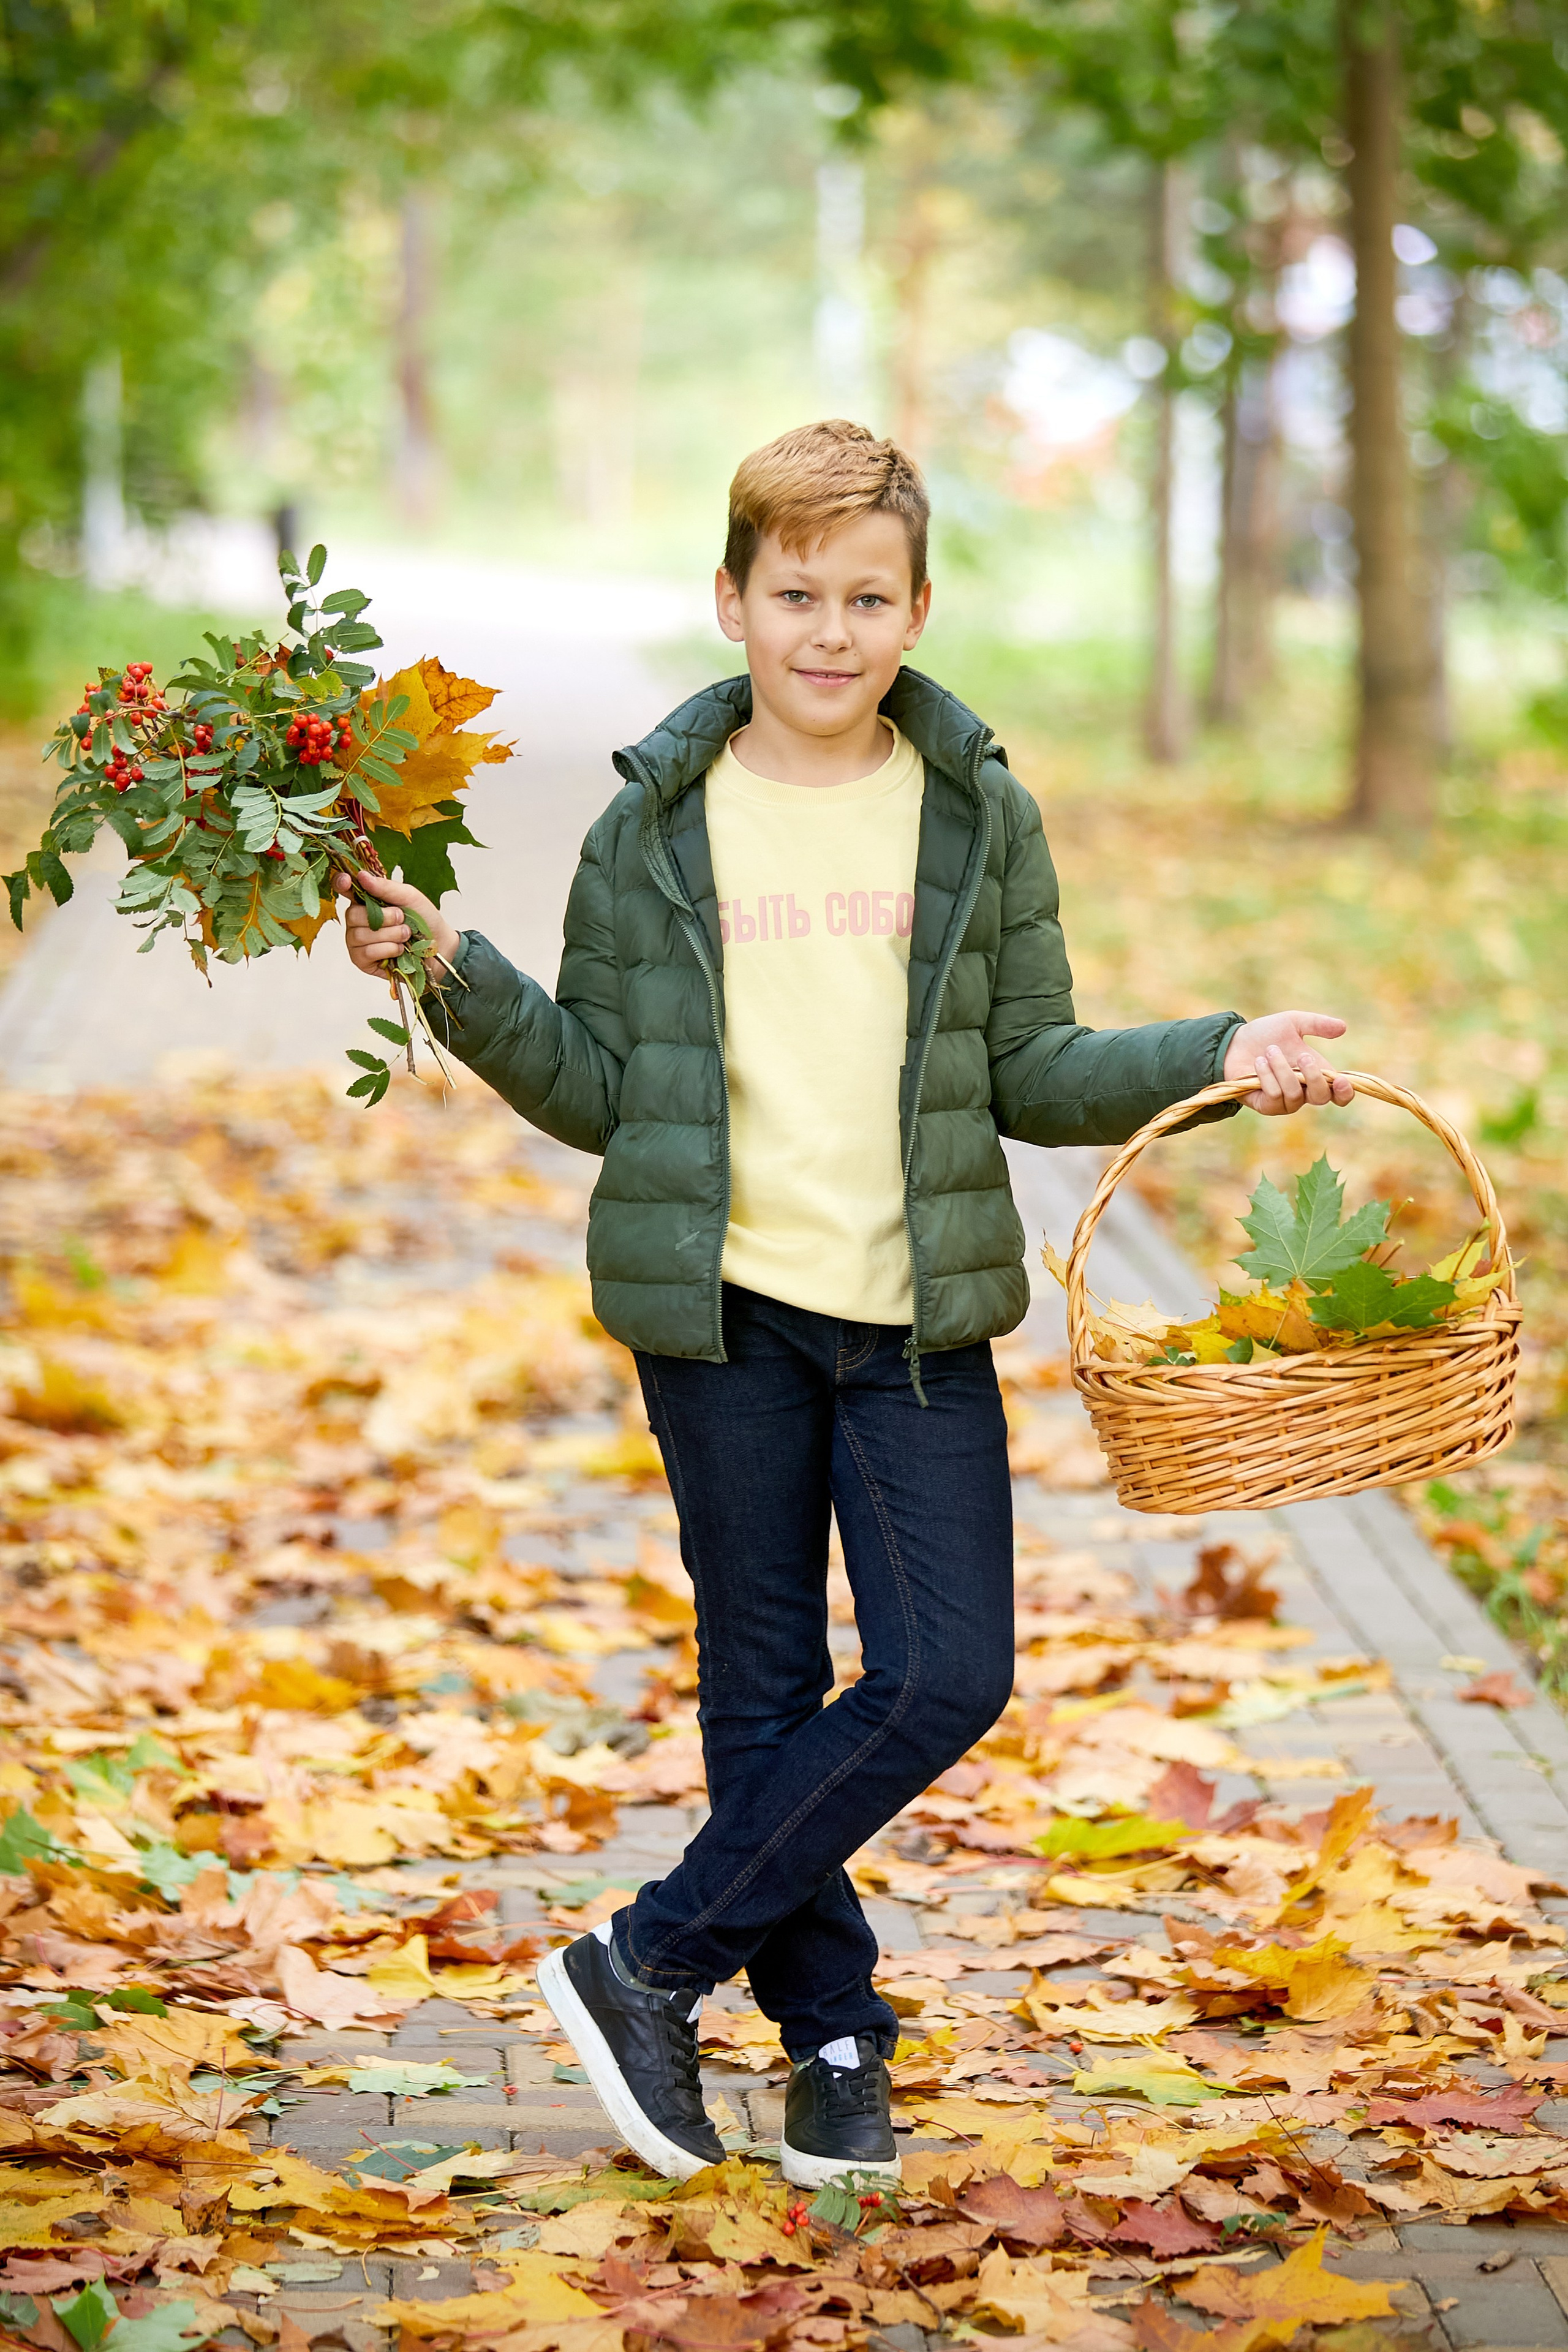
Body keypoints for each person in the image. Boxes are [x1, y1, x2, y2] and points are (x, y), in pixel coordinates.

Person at [336, 419, 1354, 2191]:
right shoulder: (651, 829)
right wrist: (446, 966)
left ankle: (642, 1959)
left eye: (864, 596)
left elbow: (1032, 1063)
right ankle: (832, 2040)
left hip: (915, 1317)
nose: (828, 629)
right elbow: (598, 1089)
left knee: (950, 1667)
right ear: (730, 600)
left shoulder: (977, 811)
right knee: (763, 1683)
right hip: (720, 1312)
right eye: (794, 592)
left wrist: (1218, 1055)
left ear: (918, 607)